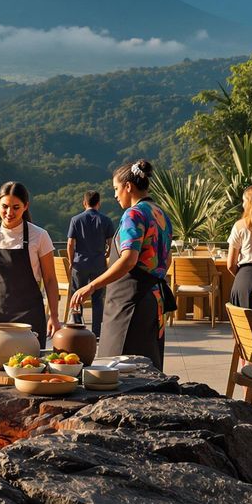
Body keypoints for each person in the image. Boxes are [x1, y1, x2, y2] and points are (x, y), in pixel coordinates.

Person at [69, 159, 173, 371]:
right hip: (154, 301)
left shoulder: (133, 215)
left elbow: (128, 259)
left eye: (116, 188)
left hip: (129, 301)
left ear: (128, 186)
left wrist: (91, 286)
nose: (115, 195)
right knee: (147, 368)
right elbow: (167, 258)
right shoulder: (161, 214)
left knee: (118, 367)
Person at [0, 182, 61, 348]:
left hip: (29, 316)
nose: (9, 212)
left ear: (26, 206)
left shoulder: (40, 236)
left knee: (27, 367)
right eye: (5, 206)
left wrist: (54, 316)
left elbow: (49, 279)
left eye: (16, 207)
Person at [66, 191, 115, 337]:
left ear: (84, 203)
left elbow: (70, 243)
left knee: (77, 296)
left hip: (79, 263)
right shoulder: (106, 220)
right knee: (98, 298)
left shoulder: (76, 219)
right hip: (98, 264)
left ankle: (77, 327)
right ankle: (97, 333)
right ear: (98, 203)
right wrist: (106, 254)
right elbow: (111, 242)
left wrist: (71, 260)